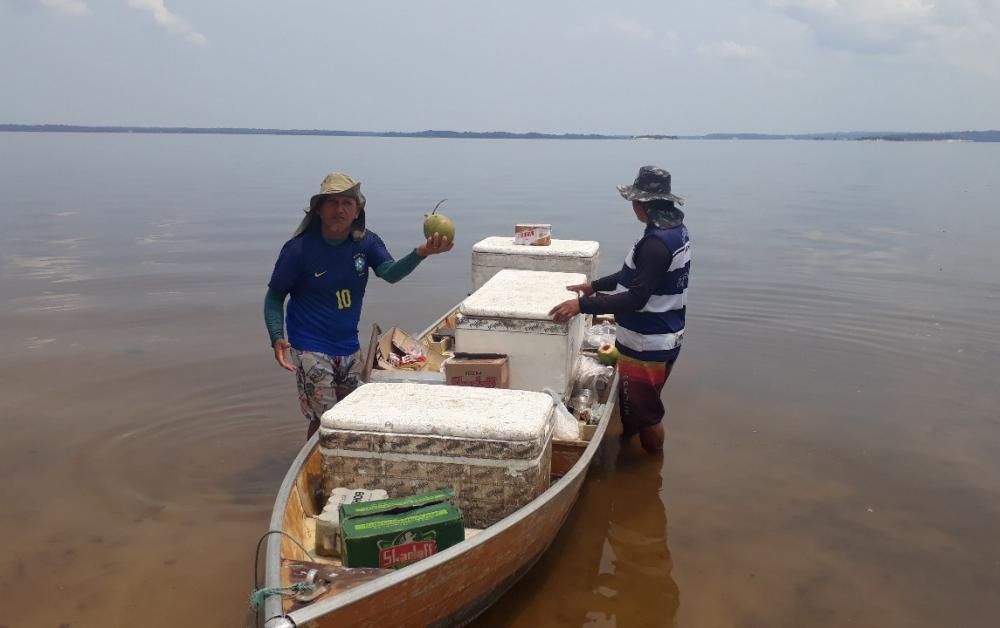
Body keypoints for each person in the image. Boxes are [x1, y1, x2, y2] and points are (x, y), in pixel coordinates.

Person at [264, 172, 453, 438]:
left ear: (357, 211)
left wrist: (421, 253)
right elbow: (274, 297)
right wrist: (276, 337)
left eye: (347, 203)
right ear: (318, 209)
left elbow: (390, 273)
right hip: (309, 346)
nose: (339, 209)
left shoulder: (366, 243)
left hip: (348, 345)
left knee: (352, 413)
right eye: (332, 202)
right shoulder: (298, 249)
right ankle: (320, 460)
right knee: (325, 418)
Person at [550, 166, 690, 454]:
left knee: (648, 415)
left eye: (634, 200)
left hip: (647, 343)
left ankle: (651, 465)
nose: (632, 206)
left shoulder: (656, 244)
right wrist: (594, 286)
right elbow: (634, 276)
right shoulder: (674, 232)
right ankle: (634, 455)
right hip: (667, 334)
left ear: (643, 204)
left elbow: (636, 298)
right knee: (642, 405)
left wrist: (581, 305)